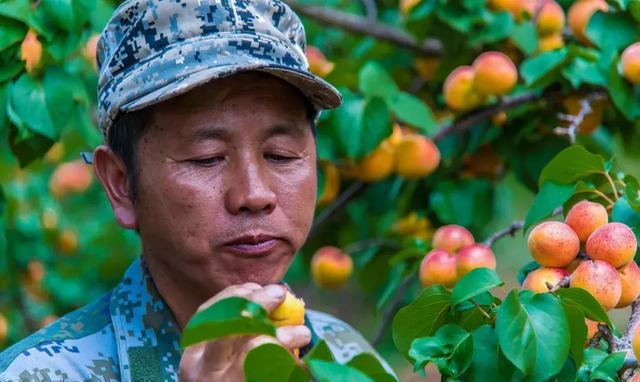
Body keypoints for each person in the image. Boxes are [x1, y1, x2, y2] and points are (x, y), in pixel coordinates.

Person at [0, 0, 394, 380]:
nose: (254, 194)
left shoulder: (347, 357)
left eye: (280, 155)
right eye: (206, 158)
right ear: (121, 185)